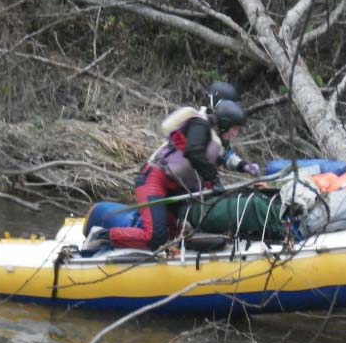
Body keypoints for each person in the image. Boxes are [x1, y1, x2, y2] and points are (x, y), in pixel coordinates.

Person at [106, 100, 256, 250]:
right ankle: (103, 237)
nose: (236, 133)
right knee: (155, 237)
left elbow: (225, 158)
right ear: (225, 123)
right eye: (235, 129)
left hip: (175, 189)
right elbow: (194, 151)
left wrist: (245, 166)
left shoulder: (216, 139)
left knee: (175, 234)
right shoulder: (199, 125)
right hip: (155, 180)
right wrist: (214, 179)